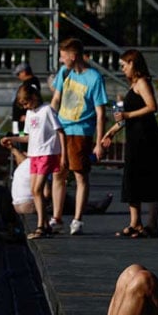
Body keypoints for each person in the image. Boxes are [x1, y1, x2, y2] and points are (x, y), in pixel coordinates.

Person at [101, 49, 158, 239]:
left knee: (152, 178)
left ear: (132, 63)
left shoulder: (142, 82)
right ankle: (135, 222)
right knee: (132, 178)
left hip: (147, 137)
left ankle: (152, 224)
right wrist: (111, 132)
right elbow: (126, 117)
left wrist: (127, 115)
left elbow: (152, 106)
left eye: (124, 65)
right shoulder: (133, 85)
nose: (122, 69)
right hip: (134, 137)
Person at [50, 37, 108, 235]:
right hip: (62, 129)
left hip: (81, 131)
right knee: (58, 173)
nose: (61, 60)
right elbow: (56, 99)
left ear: (73, 56)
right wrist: (48, 122)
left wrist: (99, 142)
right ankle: (56, 217)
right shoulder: (65, 73)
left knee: (80, 174)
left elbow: (101, 112)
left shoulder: (94, 78)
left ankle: (77, 219)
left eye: (63, 56)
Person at [3, 84, 66, 239]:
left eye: (27, 103)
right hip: (34, 154)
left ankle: (40, 226)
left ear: (34, 97)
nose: (26, 107)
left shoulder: (47, 110)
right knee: (34, 190)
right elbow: (29, 136)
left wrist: (63, 154)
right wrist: (12, 138)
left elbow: (60, 132)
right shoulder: (30, 113)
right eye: (23, 105)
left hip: (47, 153)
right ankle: (44, 223)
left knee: (37, 189)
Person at [0, 138, 113, 217]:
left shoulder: (29, 162)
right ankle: (93, 208)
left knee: (60, 193)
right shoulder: (45, 163)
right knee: (62, 197)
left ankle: (92, 205)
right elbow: (47, 193)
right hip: (30, 205)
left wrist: (13, 149)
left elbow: (20, 158)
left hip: (17, 205)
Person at [11, 62, 41, 136]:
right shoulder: (26, 84)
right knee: (18, 137)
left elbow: (33, 101)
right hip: (20, 121)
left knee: (21, 137)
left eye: (18, 74)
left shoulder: (32, 84)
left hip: (23, 121)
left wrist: (27, 114)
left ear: (24, 72)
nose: (18, 77)